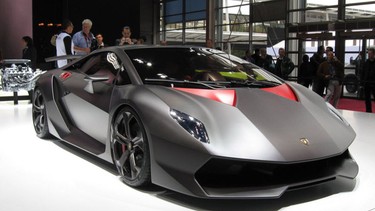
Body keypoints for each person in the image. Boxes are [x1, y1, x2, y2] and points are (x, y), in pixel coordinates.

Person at [361, 47, 375, 113]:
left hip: (374, 83)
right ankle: (368, 111)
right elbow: (363, 73)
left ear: (373, 54)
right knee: (367, 99)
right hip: (367, 83)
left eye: (370, 54)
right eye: (368, 54)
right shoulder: (366, 62)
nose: (369, 55)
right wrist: (362, 82)